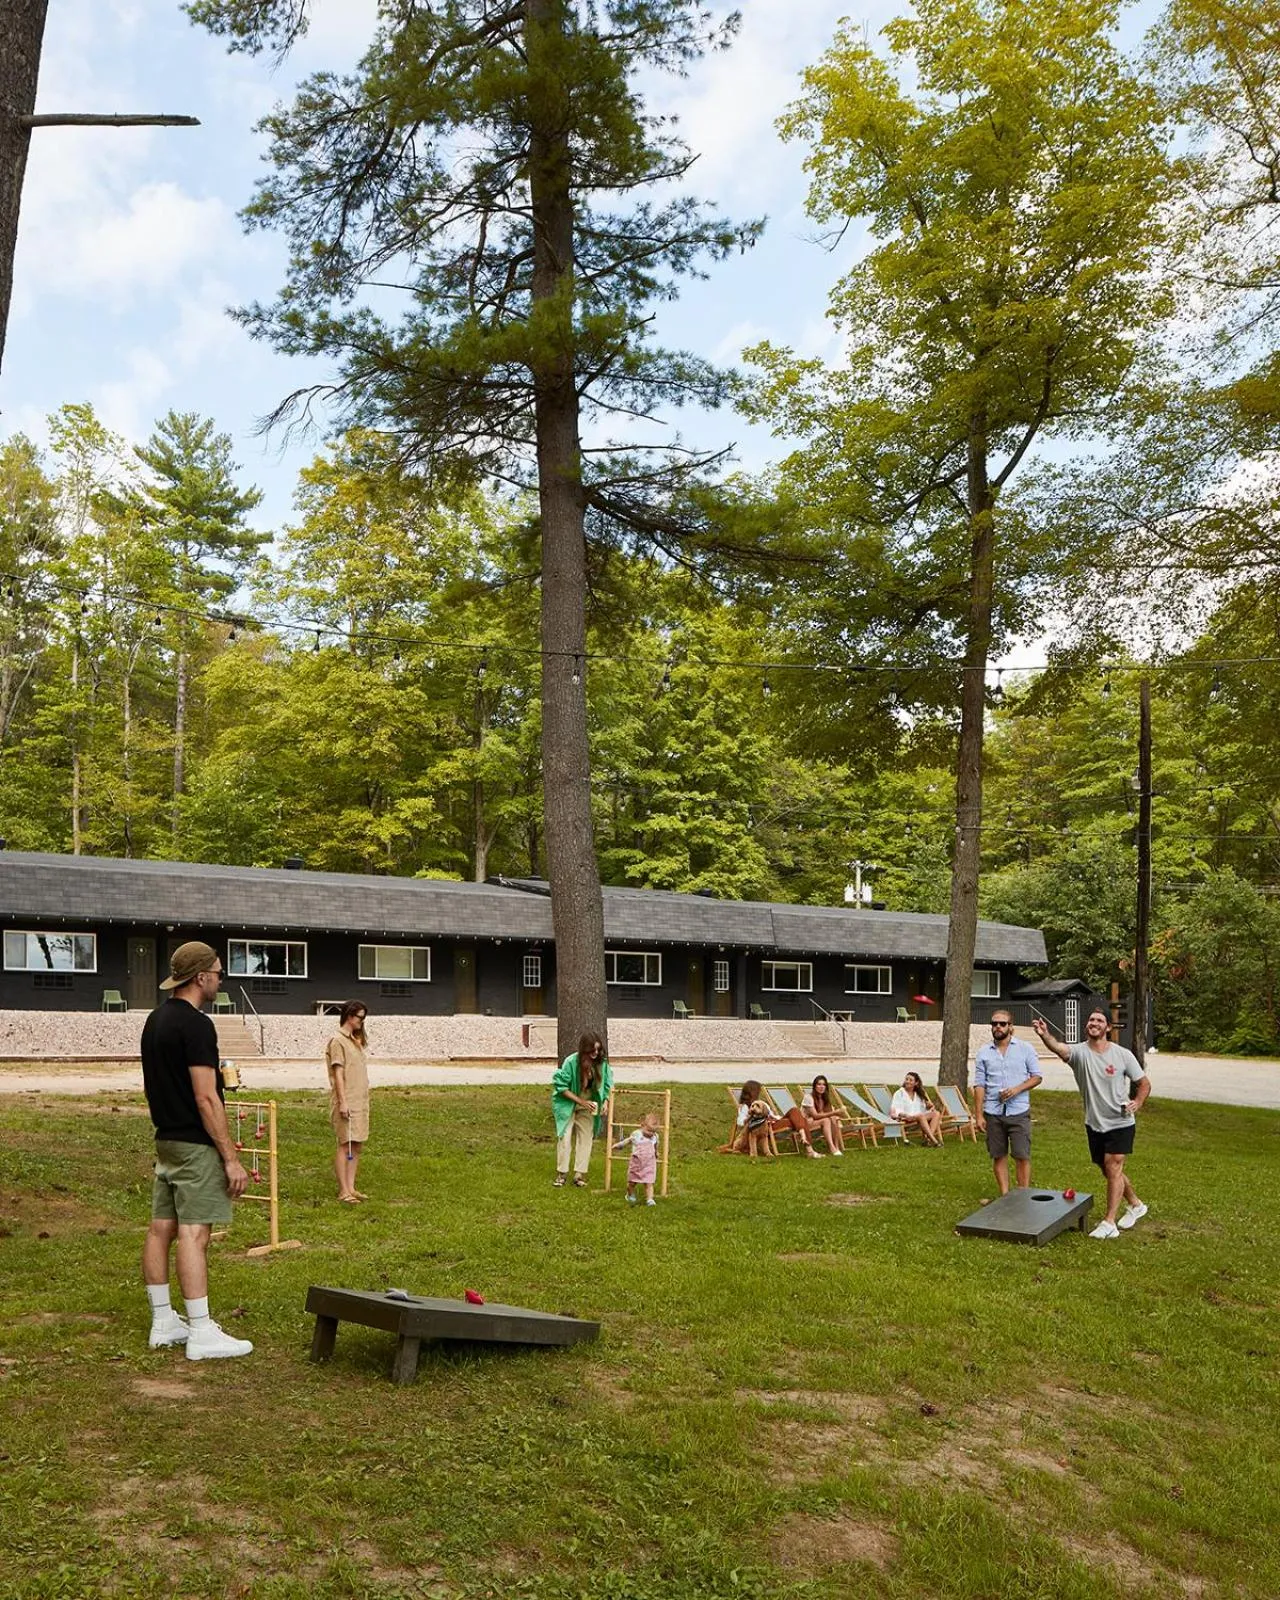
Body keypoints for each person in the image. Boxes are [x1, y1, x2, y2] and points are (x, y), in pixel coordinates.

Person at [140, 941, 253, 1361]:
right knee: (194, 1233)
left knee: (160, 1229)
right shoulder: (197, 1025)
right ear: (201, 976)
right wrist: (229, 1157)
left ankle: (163, 1321)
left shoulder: (154, 1021)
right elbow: (207, 1098)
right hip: (194, 1145)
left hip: (165, 1139)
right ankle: (202, 1332)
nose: (221, 980)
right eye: (218, 973)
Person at [1033, 1009, 1151, 1239]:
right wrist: (1044, 1035)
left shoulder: (1122, 1055)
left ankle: (1109, 1223)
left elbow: (1144, 1083)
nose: (1094, 1023)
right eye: (1091, 1020)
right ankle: (1136, 1205)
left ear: (1108, 1028)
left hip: (1121, 1121)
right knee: (1109, 1170)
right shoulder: (1079, 1053)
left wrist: (1137, 1101)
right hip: (1094, 1123)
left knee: (1114, 1166)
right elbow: (1059, 1048)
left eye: (1099, 1020)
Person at [972, 1010, 1043, 1194]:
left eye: (1002, 1024)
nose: (998, 1027)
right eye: (994, 1023)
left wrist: (1016, 1090)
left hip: (1018, 1112)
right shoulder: (983, 1053)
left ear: (1010, 1027)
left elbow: (1037, 1077)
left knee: (1022, 1156)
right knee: (998, 1156)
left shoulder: (1025, 1048)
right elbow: (979, 1085)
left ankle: (1022, 1195)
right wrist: (979, 1115)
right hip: (993, 1113)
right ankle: (1005, 1196)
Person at [551, 1032, 613, 1188]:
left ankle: (579, 1175)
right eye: (592, 1050)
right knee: (564, 1137)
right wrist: (581, 1102)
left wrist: (605, 1101)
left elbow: (607, 1084)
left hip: (588, 1103)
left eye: (598, 1050)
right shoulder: (571, 1062)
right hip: (568, 1103)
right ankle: (562, 1174)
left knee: (586, 1137)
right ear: (584, 1049)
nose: (596, 1053)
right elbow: (561, 1087)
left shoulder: (601, 1064)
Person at [326, 1001, 370, 1204]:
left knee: (356, 1145)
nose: (362, 1022)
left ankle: (352, 1187)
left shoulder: (355, 1041)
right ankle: (343, 1190)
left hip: (359, 1100)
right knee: (345, 1145)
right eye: (360, 1017)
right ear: (350, 1016)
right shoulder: (337, 1041)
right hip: (347, 1099)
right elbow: (338, 1073)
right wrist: (343, 1102)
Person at [731, 1080, 824, 1158]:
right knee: (797, 1115)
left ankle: (806, 1143)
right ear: (752, 1091)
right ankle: (809, 1148)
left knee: (795, 1113)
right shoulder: (745, 1107)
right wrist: (751, 1116)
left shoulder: (762, 1103)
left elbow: (772, 1114)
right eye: (757, 1090)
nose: (759, 1092)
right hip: (767, 1127)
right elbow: (740, 1123)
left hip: (774, 1121)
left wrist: (775, 1117)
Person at [614, 1110, 661, 1204]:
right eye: (649, 1130)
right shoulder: (636, 1134)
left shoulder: (655, 1136)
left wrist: (656, 1152)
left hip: (649, 1164)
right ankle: (630, 1194)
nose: (651, 1133)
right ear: (642, 1125)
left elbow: (655, 1145)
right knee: (632, 1182)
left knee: (649, 1182)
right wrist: (619, 1145)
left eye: (653, 1131)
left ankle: (650, 1199)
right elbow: (628, 1141)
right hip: (637, 1164)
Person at [889, 1071, 944, 1146]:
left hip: (918, 1116)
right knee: (921, 1116)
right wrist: (903, 1115)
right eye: (906, 1079)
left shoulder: (918, 1094)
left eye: (910, 1080)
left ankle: (928, 1140)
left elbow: (923, 1109)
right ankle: (935, 1141)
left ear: (916, 1083)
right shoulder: (899, 1093)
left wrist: (928, 1107)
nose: (907, 1081)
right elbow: (894, 1108)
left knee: (936, 1113)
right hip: (906, 1117)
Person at [801, 1075, 846, 1155]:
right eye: (819, 1084)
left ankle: (836, 1147)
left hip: (817, 1121)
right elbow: (815, 1116)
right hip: (805, 1123)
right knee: (826, 1120)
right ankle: (831, 1147)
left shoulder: (824, 1098)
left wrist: (836, 1114)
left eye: (824, 1085)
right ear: (814, 1086)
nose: (821, 1087)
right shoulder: (808, 1097)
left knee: (834, 1118)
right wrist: (835, 1112)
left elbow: (828, 1113)